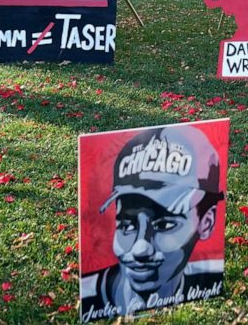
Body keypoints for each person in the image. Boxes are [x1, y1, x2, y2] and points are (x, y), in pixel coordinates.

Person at [81, 126, 224, 323]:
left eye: (164, 225)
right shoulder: (90, 296)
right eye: (127, 225)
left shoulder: (209, 279)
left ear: (206, 222)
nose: (141, 248)